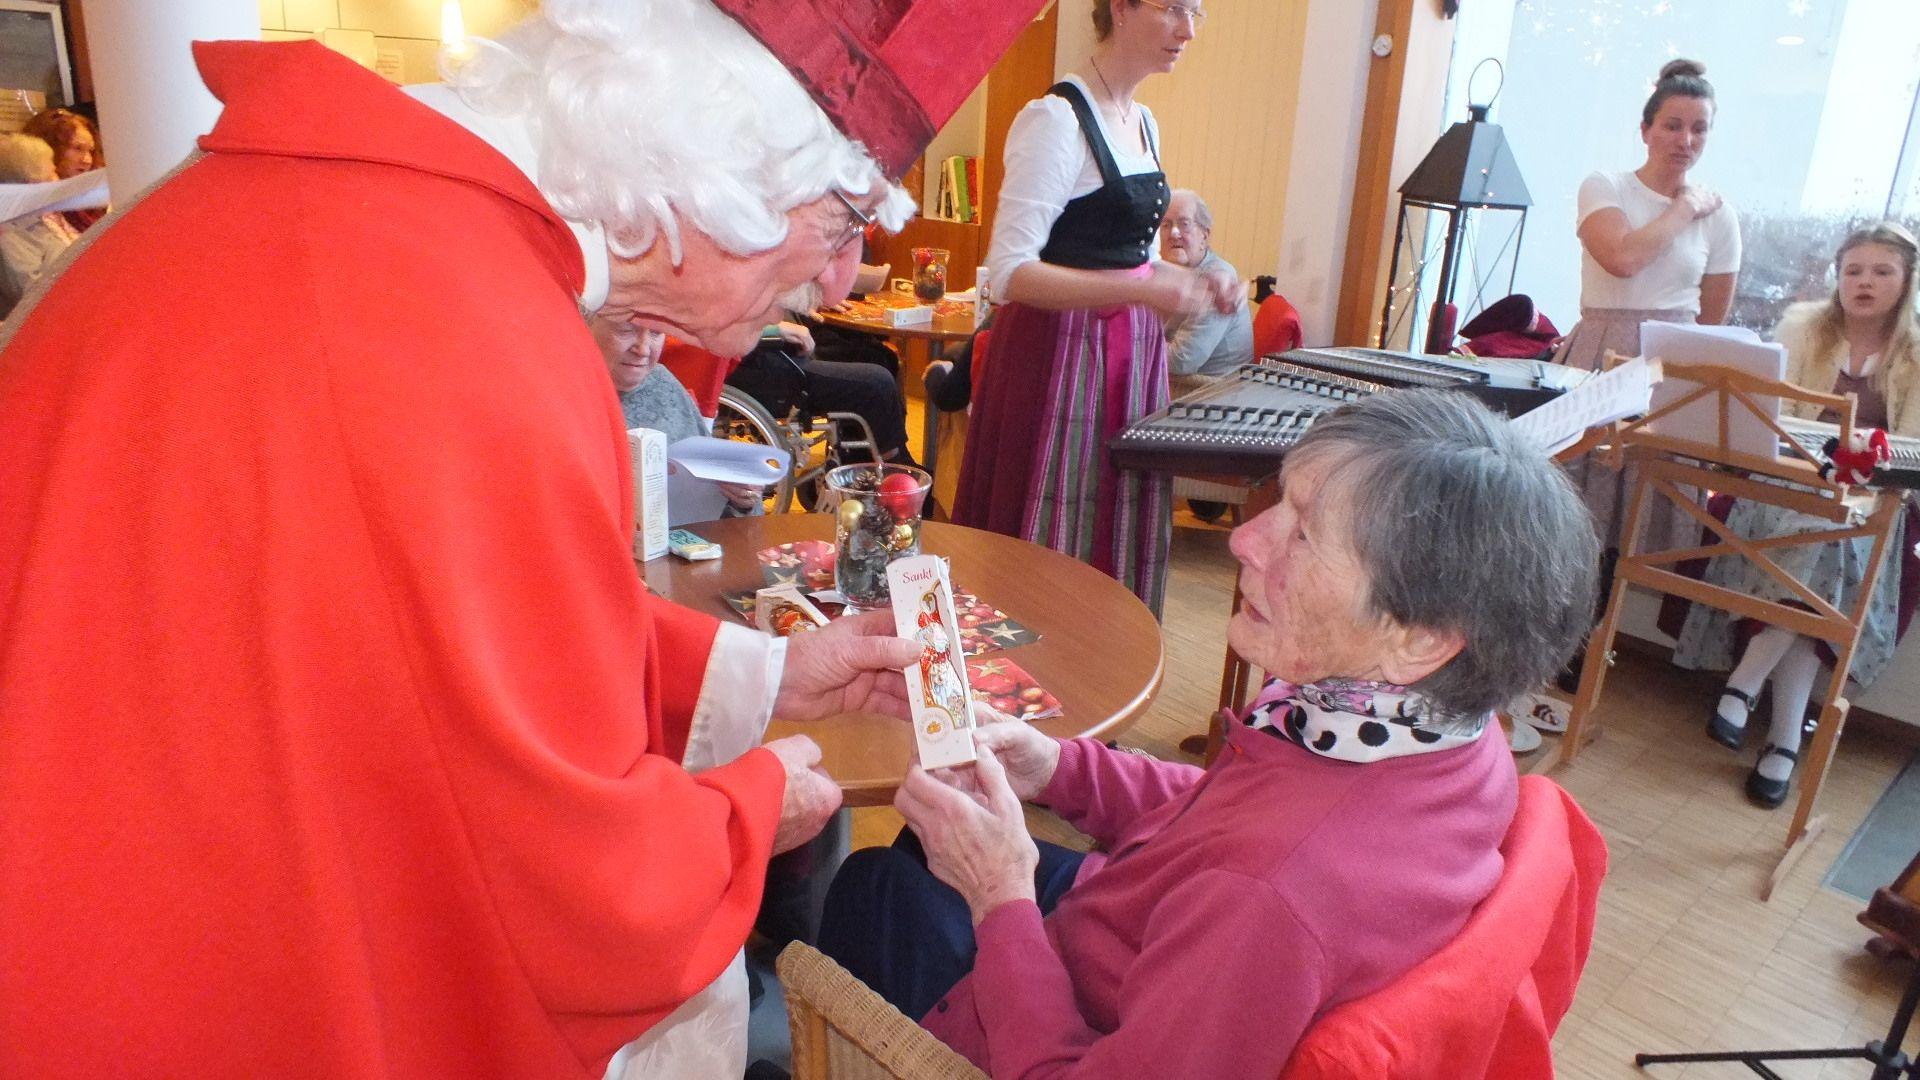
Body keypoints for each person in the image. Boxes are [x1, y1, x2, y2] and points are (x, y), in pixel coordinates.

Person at [0, 0, 1049, 1075]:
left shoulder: (354, 229)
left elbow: (435, 653)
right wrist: (750, 812)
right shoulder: (479, 333)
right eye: (842, 221)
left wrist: (769, 674)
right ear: (718, 158)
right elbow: (574, 898)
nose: (837, 278)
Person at [820, 389, 1600, 1077]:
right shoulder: (1438, 732)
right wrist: (1057, 767)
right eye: (1280, 503)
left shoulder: (1268, 898)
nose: (1245, 538)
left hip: (1097, 1016)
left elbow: (1254, 869)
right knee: (923, 844)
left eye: (1304, 534)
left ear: (1421, 638)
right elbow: (1231, 806)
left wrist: (1002, 899)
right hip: (1150, 929)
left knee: (872, 886)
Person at [953, 0, 1237, 615]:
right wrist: (1140, 290)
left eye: (1197, 12)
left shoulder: (1144, 122)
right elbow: (1010, 274)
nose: (1189, 30)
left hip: (1129, 360)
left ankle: (1108, 659)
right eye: (1174, 8)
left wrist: (1198, 280)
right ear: (1121, 8)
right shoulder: (1055, 120)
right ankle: (1037, 661)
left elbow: (1130, 260)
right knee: (1056, 529)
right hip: (1059, 357)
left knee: (1118, 521)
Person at [1673, 223, 1920, 808]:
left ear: (1907, 281)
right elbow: (1770, 420)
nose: (1864, 282)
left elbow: (1913, 453)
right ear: (1838, 277)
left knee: (1830, 541)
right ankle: (1783, 743)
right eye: (1853, 270)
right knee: (1818, 545)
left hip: (1876, 498)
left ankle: (1745, 685)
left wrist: (1866, 456)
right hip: (1788, 481)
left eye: (1881, 272)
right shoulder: (1802, 329)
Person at [592, 312, 763, 515]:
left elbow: (720, 506)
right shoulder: (564, 397)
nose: (643, 349)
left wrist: (741, 498)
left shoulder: (663, 384)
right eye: (626, 330)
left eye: (656, 332)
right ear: (584, 325)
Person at [724, 317, 919, 467]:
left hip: (770, 348)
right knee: (876, 383)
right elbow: (717, 324)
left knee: (877, 356)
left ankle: (858, 464)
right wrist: (775, 328)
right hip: (755, 364)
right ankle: (894, 469)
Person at [1159, 187, 1253, 397]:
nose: (1174, 233)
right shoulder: (1172, 273)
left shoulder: (1218, 280)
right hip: (1177, 387)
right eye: (1166, 225)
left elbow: (1182, 361)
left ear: (1204, 236)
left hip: (1208, 396)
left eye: (1184, 224)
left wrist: (1136, 344)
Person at [0, 132, 80, 318]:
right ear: (33, 183)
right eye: (52, 173)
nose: (58, 178)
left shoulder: (40, 219)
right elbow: (31, 295)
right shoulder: (9, 232)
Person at [21, 106, 105, 230]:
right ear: (50, 147)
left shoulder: (94, 204)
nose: (87, 160)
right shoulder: (35, 206)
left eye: (91, 151)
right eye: (77, 148)